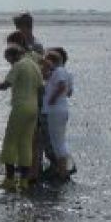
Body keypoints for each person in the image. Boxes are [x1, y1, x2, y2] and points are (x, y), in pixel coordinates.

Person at [0, 44, 43, 191]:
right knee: (26, 143)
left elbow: (5, 85)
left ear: (12, 56)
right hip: (33, 108)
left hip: (20, 107)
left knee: (10, 142)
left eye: (8, 59)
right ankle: (24, 181)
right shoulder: (34, 66)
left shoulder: (18, 65)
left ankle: (9, 180)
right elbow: (42, 89)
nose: (9, 63)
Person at [42, 51, 73, 180]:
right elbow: (69, 91)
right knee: (60, 141)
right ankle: (64, 170)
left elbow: (62, 86)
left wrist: (52, 99)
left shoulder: (59, 71)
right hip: (62, 109)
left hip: (55, 110)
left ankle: (63, 173)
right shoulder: (66, 72)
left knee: (57, 143)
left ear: (51, 61)